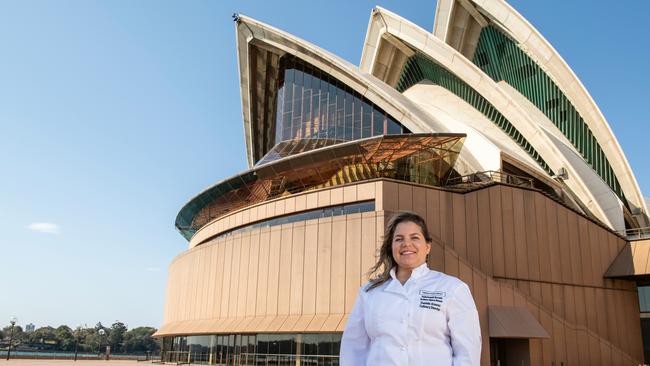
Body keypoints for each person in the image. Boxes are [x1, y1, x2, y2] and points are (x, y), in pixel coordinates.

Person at [340, 211, 481, 365]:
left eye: (414, 237)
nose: (406, 244)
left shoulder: (453, 288)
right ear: (391, 247)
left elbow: (468, 351)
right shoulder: (369, 292)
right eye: (399, 239)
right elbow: (353, 348)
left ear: (428, 246)